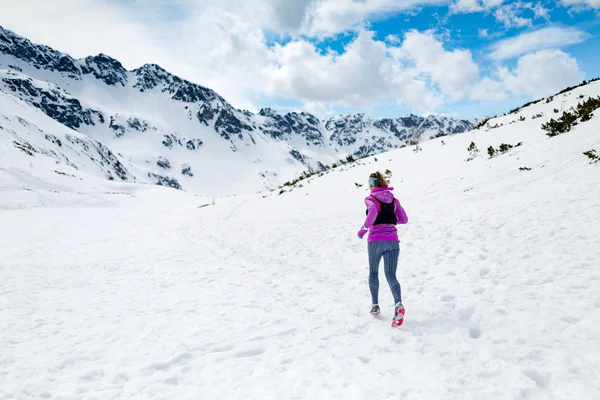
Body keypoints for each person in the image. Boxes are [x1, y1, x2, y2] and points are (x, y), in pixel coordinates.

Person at [357, 171, 408, 327]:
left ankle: (375, 305)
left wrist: (363, 229)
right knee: (391, 276)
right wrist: (391, 221)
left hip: (376, 241)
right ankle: (398, 304)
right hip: (393, 241)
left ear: (372, 184)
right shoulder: (393, 199)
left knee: (373, 272)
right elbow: (404, 219)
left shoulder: (370, 198)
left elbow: (372, 212)